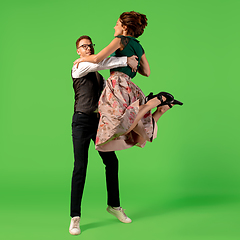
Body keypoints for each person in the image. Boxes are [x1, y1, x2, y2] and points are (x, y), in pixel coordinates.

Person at [74, 11, 183, 152]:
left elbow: (97, 59)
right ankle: (161, 109)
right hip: (130, 86)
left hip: (117, 84)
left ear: (124, 27)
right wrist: (130, 62)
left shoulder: (121, 40)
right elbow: (147, 72)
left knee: (120, 126)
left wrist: (82, 59)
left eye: (117, 24)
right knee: (137, 135)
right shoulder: (138, 46)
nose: (114, 27)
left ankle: (154, 102)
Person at [69, 35, 139, 235]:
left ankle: (114, 206)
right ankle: (75, 217)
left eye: (90, 46)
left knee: (112, 161)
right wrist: (126, 60)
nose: (88, 48)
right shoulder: (78, 66)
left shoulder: (97, 72)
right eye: (84, 46)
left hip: (98, 122)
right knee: (80, 167)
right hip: (81, 121)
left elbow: (103, 67)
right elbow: (101, 62)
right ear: (78, 51)